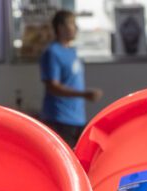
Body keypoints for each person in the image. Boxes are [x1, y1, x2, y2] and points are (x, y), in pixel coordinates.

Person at [39, 11, 101, 145]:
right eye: (71, 23)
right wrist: (83, 94)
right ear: (61, 27)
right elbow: (53, 87)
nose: (76, 28)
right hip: (59, 119)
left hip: (77, 118)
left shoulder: (72, 51)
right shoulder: (52, 52)